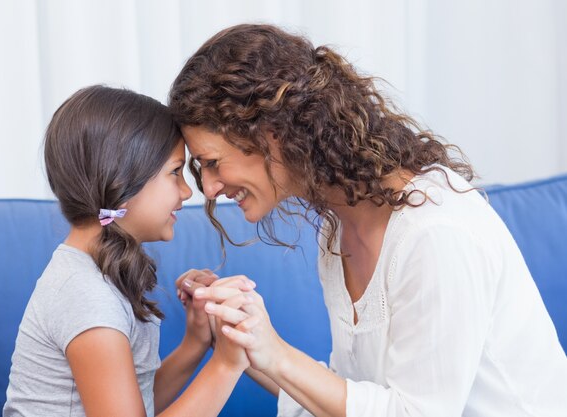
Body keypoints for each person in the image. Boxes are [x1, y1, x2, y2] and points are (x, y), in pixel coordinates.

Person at [169, 24, 567, 417]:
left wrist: (276, 352)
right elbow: (350, 400)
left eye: (212, 163)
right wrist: (242, 335)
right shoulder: (337, 229)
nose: (207, 188)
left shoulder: (435, 234)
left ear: (273, 133)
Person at [3, 85, 254, 417]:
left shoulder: (97, 274)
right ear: (124, 181)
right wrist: (226, 365)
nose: (186, 190)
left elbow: (138, 405)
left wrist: (196, 342)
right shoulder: (85, 296)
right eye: (175, 172)